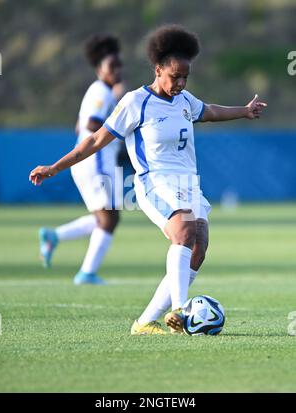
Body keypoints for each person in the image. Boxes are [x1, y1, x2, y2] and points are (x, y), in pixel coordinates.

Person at [30, 25, 267, 333]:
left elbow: (208, 111)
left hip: (187, 183)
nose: (180, 83)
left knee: (199, 246)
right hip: (154, 182)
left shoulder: (184, 101)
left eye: (185, 77)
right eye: (174, 76)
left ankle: (144, 322)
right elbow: (94, 140)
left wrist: (244, 111)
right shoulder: (134, 102)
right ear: (158, 69)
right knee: (183, 230)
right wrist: (54, 167)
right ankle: (181, 309)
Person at [39, 34, 123, 285]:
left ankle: (55, 236)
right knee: (109, 218)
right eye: (112, 66)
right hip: (95, 161)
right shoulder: (101, 90)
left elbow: (79, 127)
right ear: (99, 69)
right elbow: (90, 123)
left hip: (92, 161)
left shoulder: (99, 90)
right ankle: (87, 273)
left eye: (119, 65)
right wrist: (120, 130)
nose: (117, 70)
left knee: (105, 217)